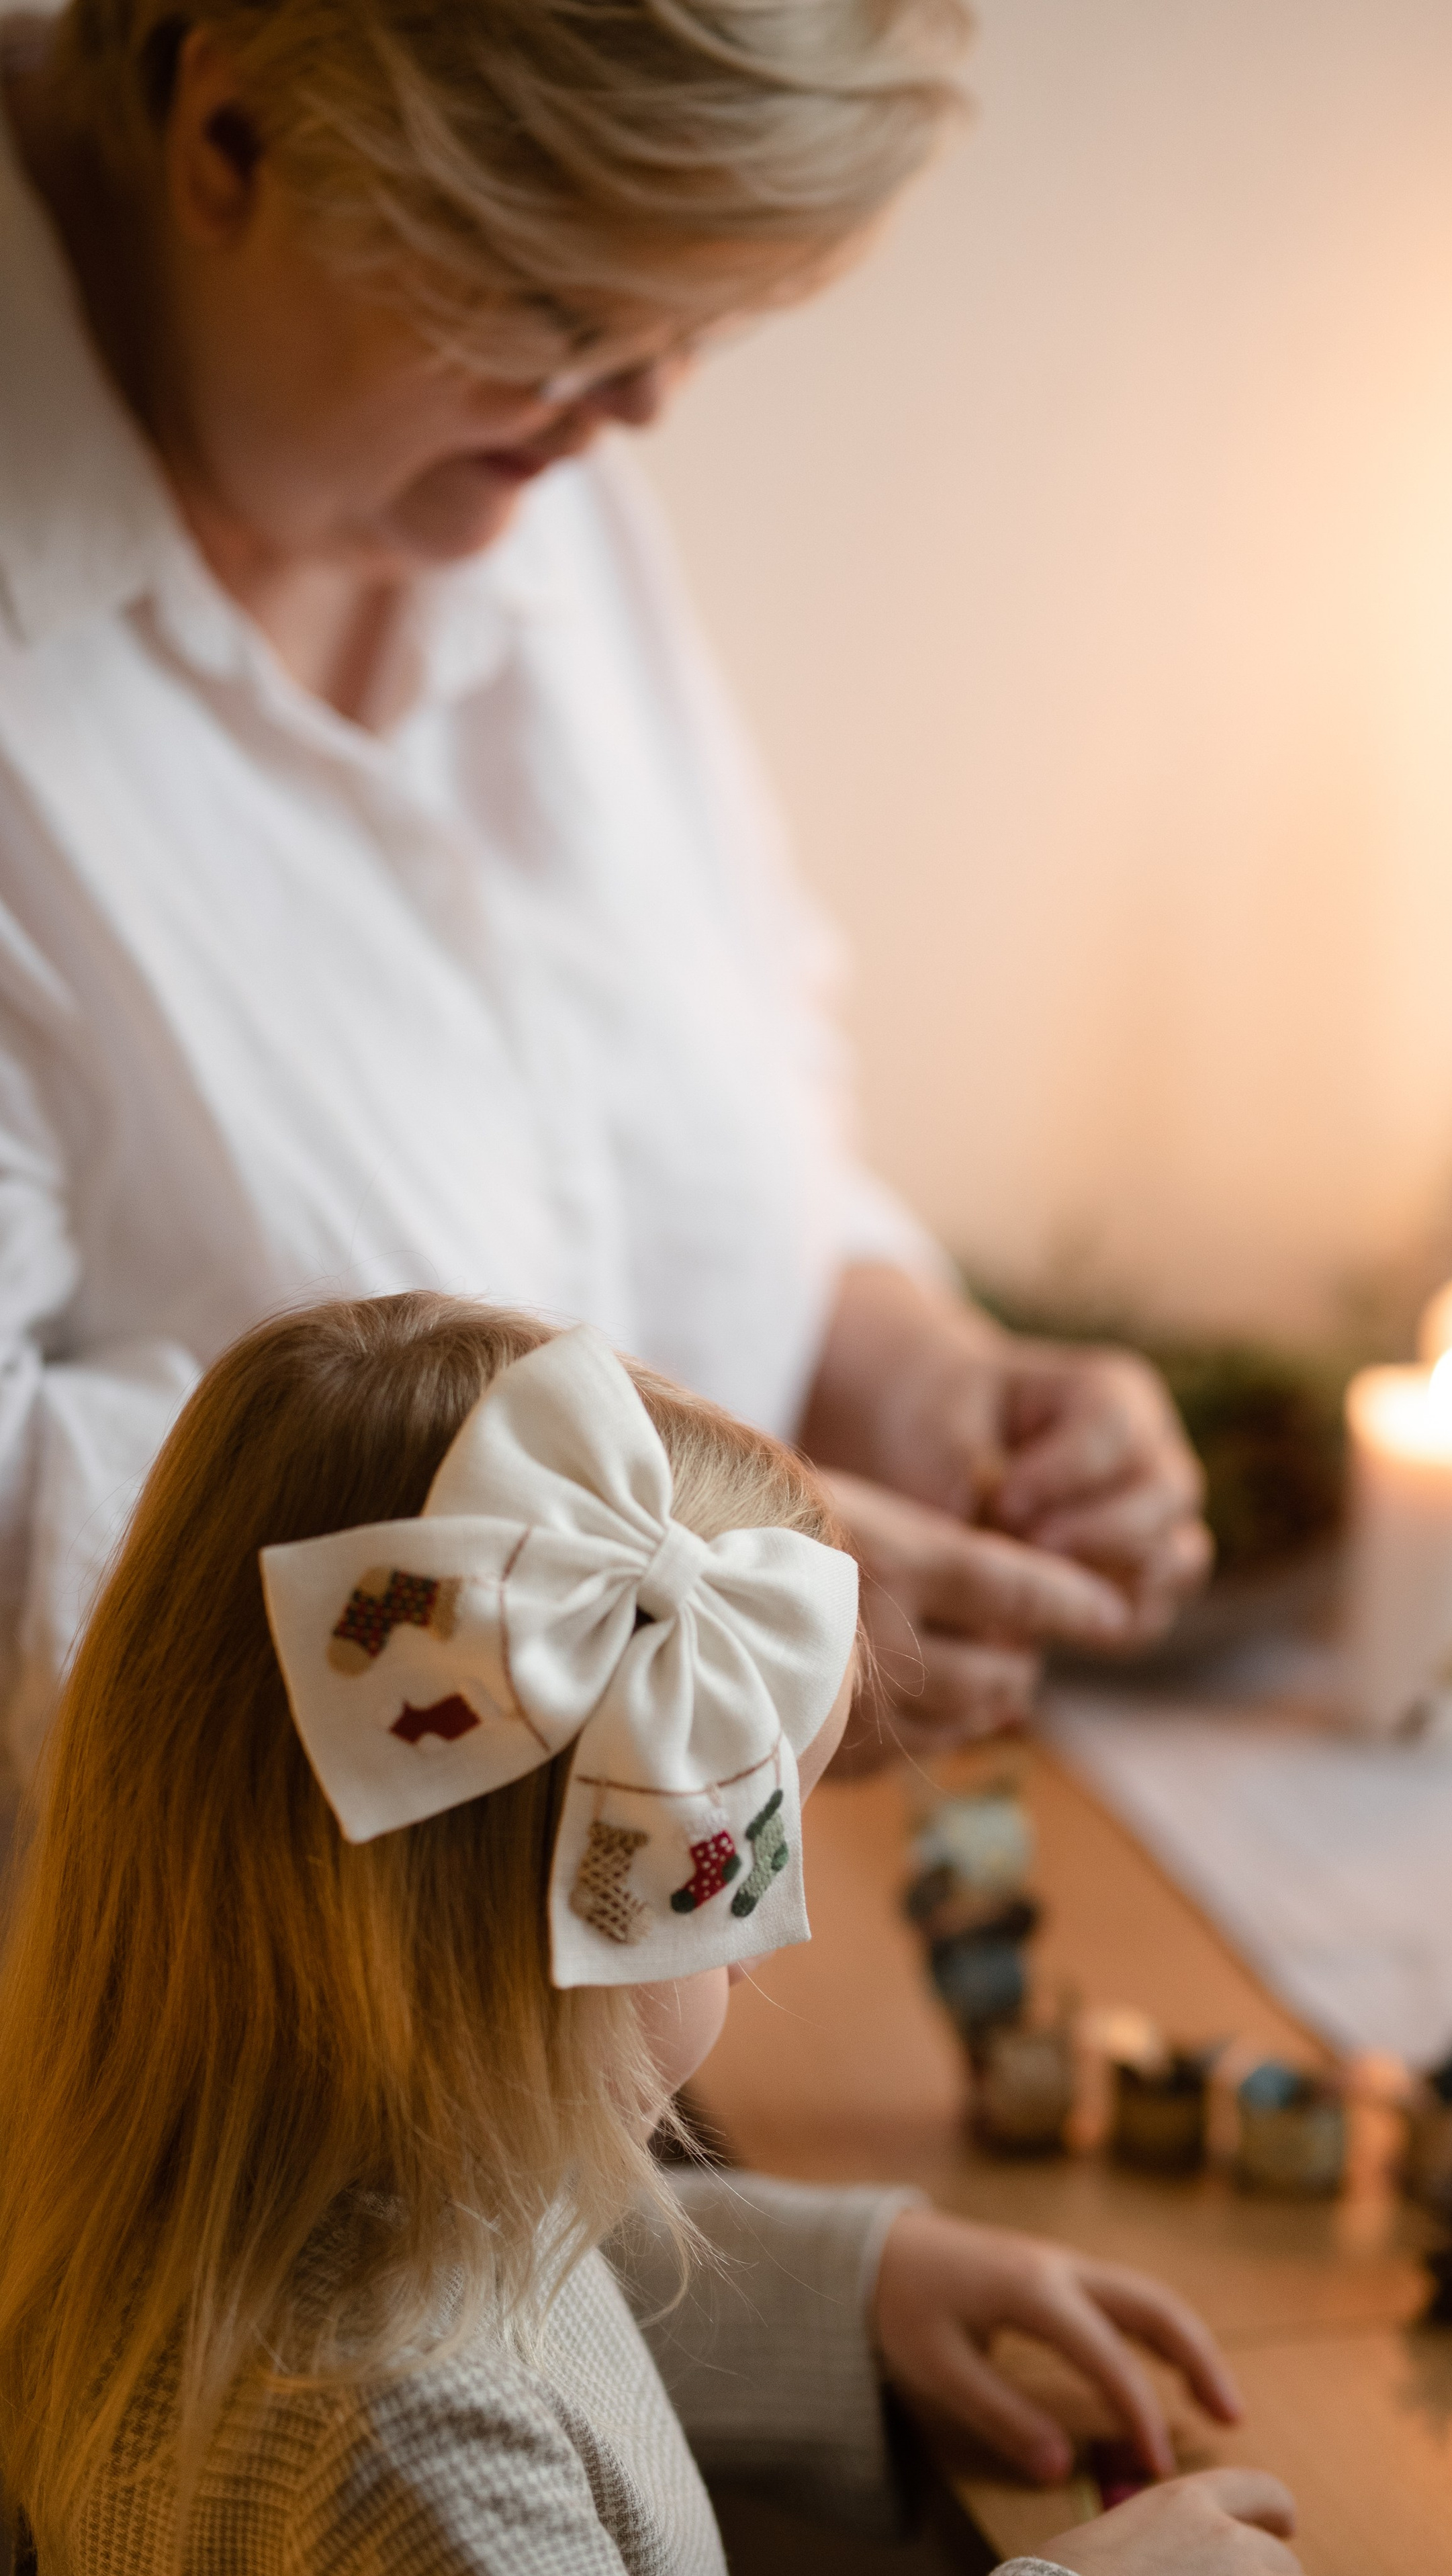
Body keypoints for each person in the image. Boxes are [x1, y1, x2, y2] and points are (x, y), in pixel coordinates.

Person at [0, 0, 1211, 1798]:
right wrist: (634, 1630)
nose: (644, 404)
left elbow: (716, 1039)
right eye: (566, 309)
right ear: (233, 127)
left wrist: (890, 1348)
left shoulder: (488, 452)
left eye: (693, 321)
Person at [0, 1291, 1295, 2576]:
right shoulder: (413, 2471)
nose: (760, 1949)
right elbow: (472, 2386)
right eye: (729, 1877)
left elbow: (513, 2265)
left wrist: (855, 2288)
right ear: (494, 1955)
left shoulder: (246, 2179)